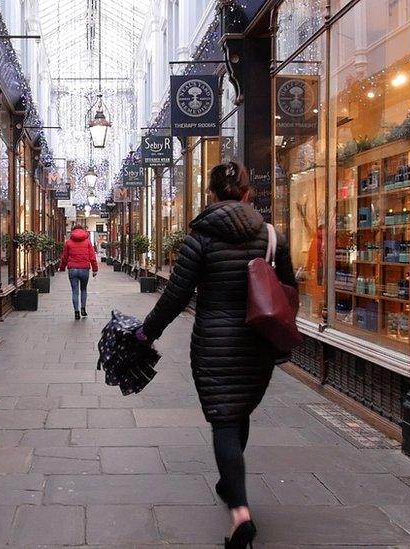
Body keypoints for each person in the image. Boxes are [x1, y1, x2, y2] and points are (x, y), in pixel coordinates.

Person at [137, 161, 296, 549]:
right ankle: (230, 480)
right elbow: (290, 289)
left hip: (213, 343)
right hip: (257, 342)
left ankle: (240, 513)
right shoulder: (272, 236)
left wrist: (147, 332)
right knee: (237, 411)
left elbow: (176, 295)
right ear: (247, 193)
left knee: (224, 418)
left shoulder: (199, 237)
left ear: (211, 194)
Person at [59, 224, 98, 320]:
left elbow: (64, 257)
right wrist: (95, 269)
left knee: (75, 291)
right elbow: (92, 257)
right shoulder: (87, 242)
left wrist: (62, 267)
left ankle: (76, 312)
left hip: (72, 269)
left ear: (73, 231)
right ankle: (83, 309)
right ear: (83, 230)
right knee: (83, 289)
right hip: (84, 268)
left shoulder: (68, 242)